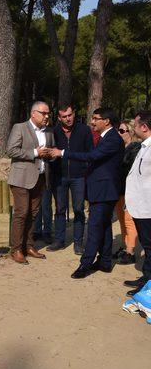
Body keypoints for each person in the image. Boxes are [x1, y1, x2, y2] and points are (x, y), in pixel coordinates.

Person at [48, 107, 125, 279]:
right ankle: (105, 261)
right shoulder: (106, 137)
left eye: (96, 118)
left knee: (94, 228)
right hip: (101, 190)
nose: (92, 121)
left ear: (107, 121)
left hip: (105, 191)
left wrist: (62, 152)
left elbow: (93, 156)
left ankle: (85, 264)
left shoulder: (112, 139)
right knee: (104, 226)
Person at [6, 101, 54, 264]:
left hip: (40, 178)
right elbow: (11, 150)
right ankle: (16, 249)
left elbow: (50, 151)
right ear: (33, 113)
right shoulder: (20, 128)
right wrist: (35, 152)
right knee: (21, 213)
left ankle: (29, 245)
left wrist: (50, 154)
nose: (47, 116)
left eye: (48, 113)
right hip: (21, 179)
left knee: (33, 214)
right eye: (43, 113)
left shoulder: (48, 131)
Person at [47, 105, 93, 254]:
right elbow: (49, 153)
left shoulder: (84, 130)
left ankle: (78, 243)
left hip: (78, 176)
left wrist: (84, 168)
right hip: (59, 176)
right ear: (59, 118)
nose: (68, 118)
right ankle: (59, 240)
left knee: (79, 209)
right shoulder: (53, 131)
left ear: (74, 113)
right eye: (64, 116)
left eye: (70, 114)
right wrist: (52, 158)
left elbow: (90, 153)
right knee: (60, 209)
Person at [124, 111, 151, 296]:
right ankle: (147, 278)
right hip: (139, 206)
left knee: (150, 246)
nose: (133, 128)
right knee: (147, 245)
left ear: (144, 127)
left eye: (136, 124)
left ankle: (148, 286)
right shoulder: (143, 146)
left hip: (148, 207)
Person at [114, 119, 141, 265]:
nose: (119, 133)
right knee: (122, 220)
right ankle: (125, 248)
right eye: (119, 130)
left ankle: (130, 252)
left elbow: (129, 170)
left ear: (130, 132)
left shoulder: (135, 148)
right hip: (119, 190)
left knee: (129, 221)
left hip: (129, 191)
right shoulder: (120, 148)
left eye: (122, 131)